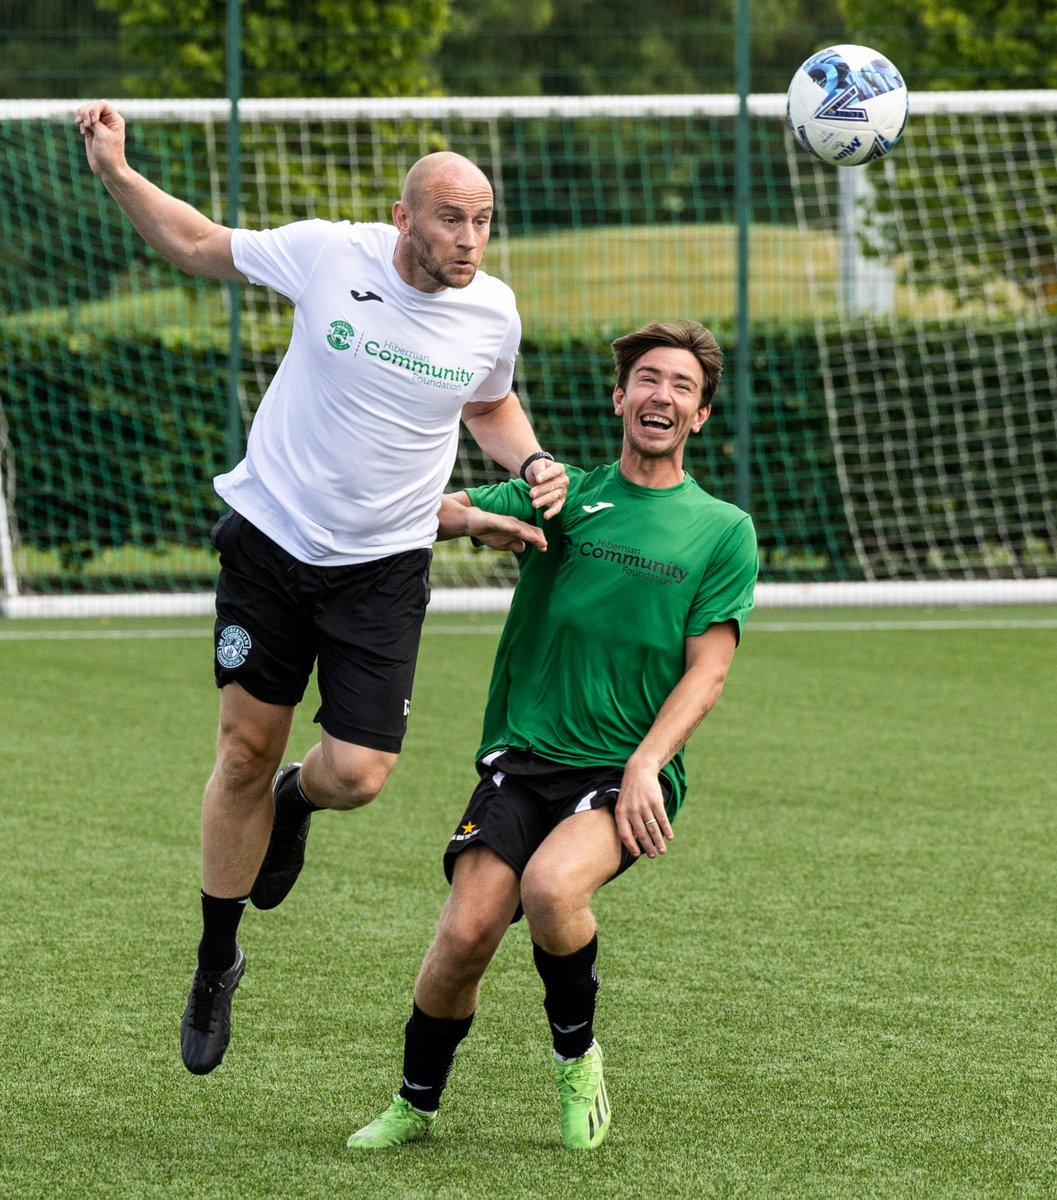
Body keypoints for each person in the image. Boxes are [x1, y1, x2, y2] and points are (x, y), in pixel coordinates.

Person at [74, 101, 569, 1077]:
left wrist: (535, 455)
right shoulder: (327, 255)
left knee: (360, 774)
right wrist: (117, 175)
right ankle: (217, 959)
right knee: (243, 749)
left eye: (482, 220)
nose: (467, 238)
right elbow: (199, 243)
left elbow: (489, 401)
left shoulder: (492, 311)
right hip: (269, 542)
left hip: (382, 570)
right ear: (403, 217)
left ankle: (299, 802)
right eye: (448, 218)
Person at [346, 319, 758, 1152]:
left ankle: (578, 1064)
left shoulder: (722, 530)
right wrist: (474, 523)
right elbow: (418, 515)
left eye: (681, 386)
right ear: (619, 397)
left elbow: (705, 672)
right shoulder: (562, 494)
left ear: (700, 416)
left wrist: (648, 764)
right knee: (463, 935)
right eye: (648, 378)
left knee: (551, 888)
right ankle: (415, 1103)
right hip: (524, 757)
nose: (661, 396)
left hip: (621, 770)